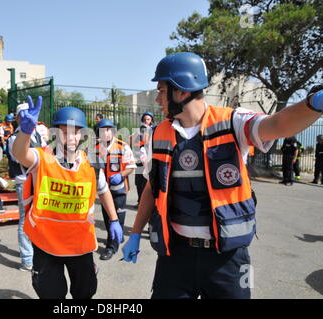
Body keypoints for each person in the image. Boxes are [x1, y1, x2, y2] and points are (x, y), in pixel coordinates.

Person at [121, 52, 323, 299]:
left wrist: (314, 103)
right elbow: (153, 189)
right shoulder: (158, 133)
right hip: (175, 255)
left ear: (182, 91)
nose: (157, 98)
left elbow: (277, 125)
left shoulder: (232, 122)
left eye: (162, 90)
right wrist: (134, 234)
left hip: (227, 259)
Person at [12, 97, 123, 299]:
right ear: (55, 133)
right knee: (52, 294)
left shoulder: (91, 163)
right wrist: (25, 131)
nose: (71, 137)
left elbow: (104, 190)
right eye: (64, 132)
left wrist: (114, 219)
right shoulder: (42, 158)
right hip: (47, 243)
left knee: (85, 292)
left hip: (80, 242)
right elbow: (20, 153)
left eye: (76, 132)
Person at [7, 103, 46, 272]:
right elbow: (21, 158)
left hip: (39, 180)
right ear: (17, 118)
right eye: (22, 115)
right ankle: (27, 259)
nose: (26, 117)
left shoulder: (37, 133)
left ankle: (39, 253)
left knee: (39, 217)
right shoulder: (14, 138)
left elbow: (45, 154)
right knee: (25, 220)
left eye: (28, 114)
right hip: (24, 182)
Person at [95, 119, 136, 260]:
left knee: (118, 218)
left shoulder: (122, 146)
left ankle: (111, 247)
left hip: (119, 190)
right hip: (103, 190)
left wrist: (121, 175)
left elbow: (131, 166)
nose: (105, 133)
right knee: (107, 217)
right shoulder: (95, 148)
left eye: (108, 130)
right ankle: (115, 238)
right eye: (102, 130)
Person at [131, 112, 156, 205]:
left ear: (151, 120)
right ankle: (139, 201)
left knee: (147, 182)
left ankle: (147, 203)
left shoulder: (154, 130)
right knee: (138, 182)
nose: (146, 121)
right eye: (145, 119)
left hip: (148, 160)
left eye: (148, 119)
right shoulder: (138, 131)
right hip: (138, 160)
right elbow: (133, 142)